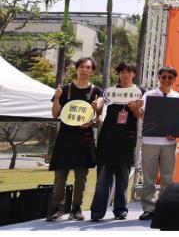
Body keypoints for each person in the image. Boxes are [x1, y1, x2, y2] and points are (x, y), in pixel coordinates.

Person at [47, 57, 103, 221]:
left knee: (81, 177)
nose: (84, 70)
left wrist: (92, 120)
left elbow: (99, 117)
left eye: (88, 67)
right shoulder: (65, 89)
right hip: (65, 137)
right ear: (77, 69)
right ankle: (56, 208)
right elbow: (55, 114)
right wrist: (57, 97)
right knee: (60, 176)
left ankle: (76, 209)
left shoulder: (96, 91)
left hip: (84, 139)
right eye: (82, 67)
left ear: (92, 71)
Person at [90, 62, 145, 221]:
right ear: (118, 74)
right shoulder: (110, 91)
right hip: (108, 138)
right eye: (122, 72)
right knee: (103, 179)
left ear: (134, 74)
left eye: (128, 72)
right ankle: (97, 212)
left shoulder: (140, 92)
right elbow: (101, 102)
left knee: (122, 179)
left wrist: (135, 108)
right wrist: (97, 105)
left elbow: (141, 115)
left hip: (127, 139)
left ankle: (120, 210)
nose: (125, 75)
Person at [139, 66, 179, 221]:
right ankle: (149, 208)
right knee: (149, 177)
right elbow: (142, 115)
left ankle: (164, 207)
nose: (166, 80)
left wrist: (175, 132)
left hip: (169, 143)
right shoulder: (148, 95)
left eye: (170, 77)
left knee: (167, 178)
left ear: (174, 80)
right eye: (164, 77)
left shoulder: (177, 96)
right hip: (150, 141)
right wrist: (135, 108)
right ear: (158, 77)